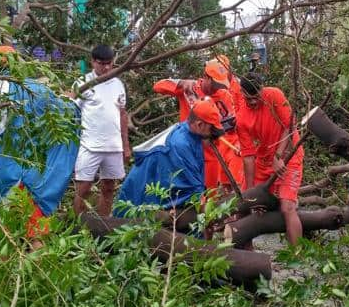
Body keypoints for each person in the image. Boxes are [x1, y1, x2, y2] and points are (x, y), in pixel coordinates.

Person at [0, 45, 79, 248]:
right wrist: (71, 101)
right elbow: (67, 115)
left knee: (3, 232)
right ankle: (37, 275)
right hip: (29, 175)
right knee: (35, 232)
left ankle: (6, 275)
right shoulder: (33, 89)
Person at [153, 61, 244, 194]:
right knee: (189, 193)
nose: (218, 87)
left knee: (210, 196)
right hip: (187, 150)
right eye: (216, 83)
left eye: (221, 84)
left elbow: (230, 124)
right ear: (206, 77)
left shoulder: (224, 95)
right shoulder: (190, 88)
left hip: (211, 152)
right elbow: (158, 86)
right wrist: (181, 82)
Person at [116, 100, 224, 211]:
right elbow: (192, 189)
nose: (213, 134)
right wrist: (209, 214)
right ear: (199, 124)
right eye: (212, 129)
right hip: (140, 197)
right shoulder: (180, 145)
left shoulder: (189, 133)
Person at [236, 73, 304, 246]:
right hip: (263, 161)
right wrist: (252, 195)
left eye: (255, 97)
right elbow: (248, 157)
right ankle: (246, 257)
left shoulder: (274, 95)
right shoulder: (241, 117)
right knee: (242, 205)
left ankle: (297, 257)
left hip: (289, 155)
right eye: (248, 98)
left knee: (287, 206)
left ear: (262, 90)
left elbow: (289, 126)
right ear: (242, 93)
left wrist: (278, 156)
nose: (252, 102)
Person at [72, 45, 131, 216]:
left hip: (113, 146)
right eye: (101, 63)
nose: (105, 67)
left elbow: (122, 114)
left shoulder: (118, 84)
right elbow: (71, 111)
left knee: (109, 188)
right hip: (89, 145)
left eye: (109, 63)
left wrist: (125, 146)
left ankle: (104, 224)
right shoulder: (82, 83)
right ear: (92, 62)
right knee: (82, 189)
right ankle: (77, 225)